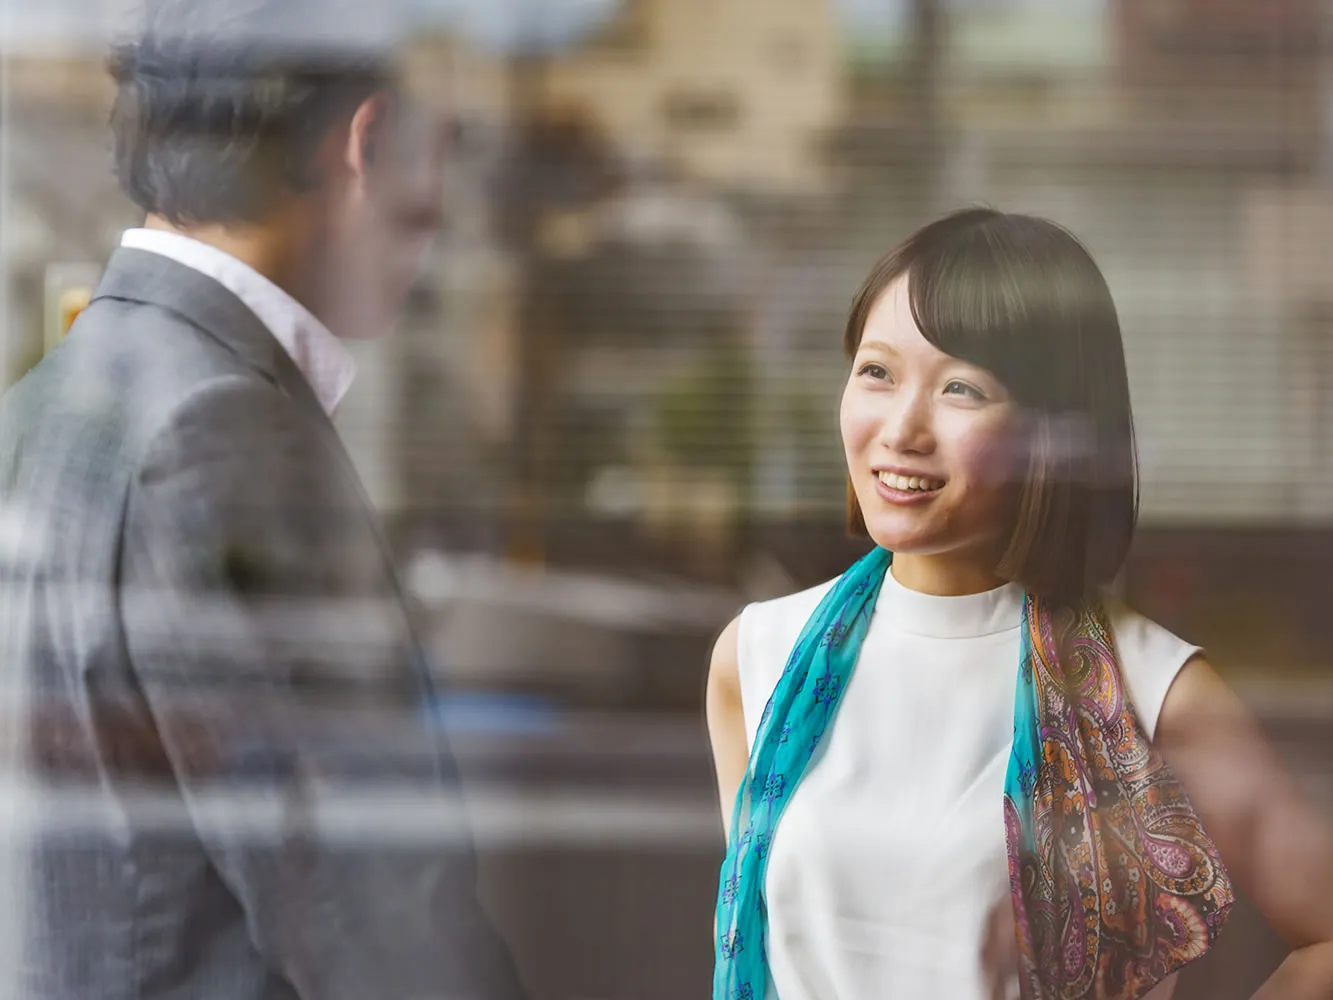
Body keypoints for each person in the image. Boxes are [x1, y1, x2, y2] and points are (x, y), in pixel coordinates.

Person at [0, 1, 527, 997]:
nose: (442, 209)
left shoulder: (41, 405)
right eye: (438, 155)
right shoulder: (221, 429)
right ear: (366, 143)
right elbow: (374, 921)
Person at [705, 209, 1333, 1000]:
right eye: (876, 372)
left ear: (1052, 432)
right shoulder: (757, 656)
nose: (901, 428)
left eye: (961, 388)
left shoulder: (1150, 688)